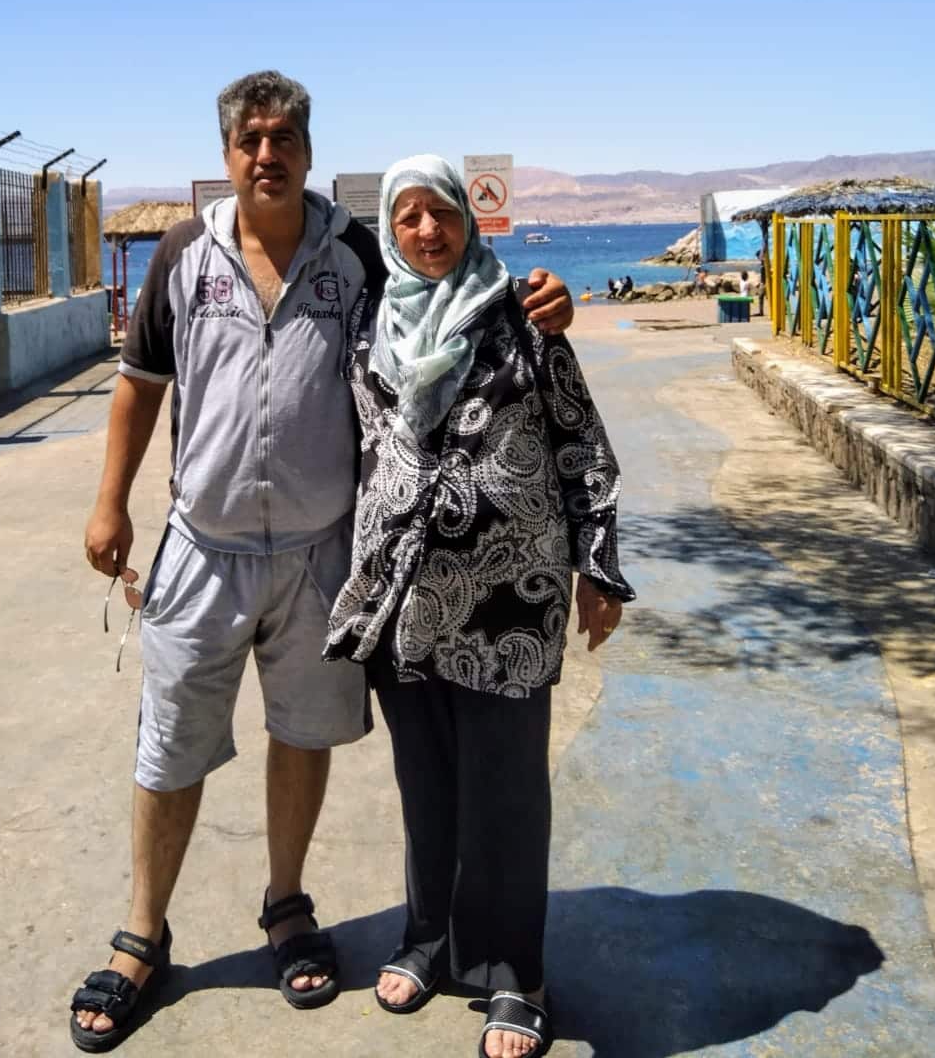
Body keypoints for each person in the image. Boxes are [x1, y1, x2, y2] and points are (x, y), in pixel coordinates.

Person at [70, 74, 575, 1050]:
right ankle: (142, 938)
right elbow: (137, 386)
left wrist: (533, 290)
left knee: (302, 736)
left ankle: (287, 910)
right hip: (200, 554)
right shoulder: (183, 254)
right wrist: (108, 503)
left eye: (284, 138)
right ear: (227, 154)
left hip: (321, 557)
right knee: (169, 748)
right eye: (250, 140)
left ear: (306, 148)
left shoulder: (353, 250)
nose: (268, 154)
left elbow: (445, 284)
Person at [325, 155, 634, 1058]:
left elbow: (582, 443)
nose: (427, 230)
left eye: (442, 213)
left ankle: (515, 974)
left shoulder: (524, 314)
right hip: (404, 600)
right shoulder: (367, 327)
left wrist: (599, 567)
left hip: (511, 599)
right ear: (389, 228)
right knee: (426, 787)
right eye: (409, 215)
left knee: (505, 792)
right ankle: (429, 939)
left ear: (469, 219)